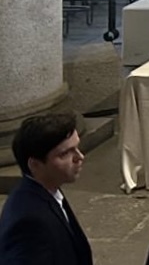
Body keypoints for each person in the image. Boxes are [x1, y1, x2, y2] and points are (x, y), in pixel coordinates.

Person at [0, 113, 91, 264]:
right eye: (65, 153)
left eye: (77, 148)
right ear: (35, 165)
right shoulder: (28, 223)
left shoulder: (49, 189)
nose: (79, 157)